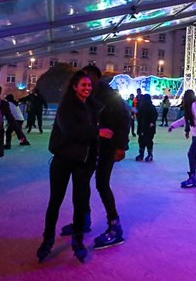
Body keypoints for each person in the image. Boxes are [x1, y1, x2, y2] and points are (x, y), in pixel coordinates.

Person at [37, 71, 98, 263]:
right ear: (74, 86)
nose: (87, 88)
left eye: (89, 86)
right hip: (63, 159)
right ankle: (47, 240)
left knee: (80, 202)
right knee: (55, 200)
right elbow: (71, 131)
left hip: (83, 162)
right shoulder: (66, 106)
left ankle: (77, 240)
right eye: (83, 85)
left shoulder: (92, 106)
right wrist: (97, 131)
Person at [66, 64, 130, 250]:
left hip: (108, 147)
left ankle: (115, 227)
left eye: (90, 77)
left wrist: (121, 146)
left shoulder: (110, 96)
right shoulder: (85, 96)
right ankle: (83, 221)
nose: (87, 81)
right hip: (90, 147)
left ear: (97, 78)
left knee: (102, 184)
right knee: (82, 182)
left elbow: (124, 120)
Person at [135, 92, 158, 162]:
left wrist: (152, 122)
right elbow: (139, 115)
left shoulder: (151, 107)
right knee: (141, 141)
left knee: (148, 141)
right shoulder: (141, 107)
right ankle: (141, 154)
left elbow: (154, 116)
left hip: (148, 128)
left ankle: (150, 154)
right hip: (142, 127)